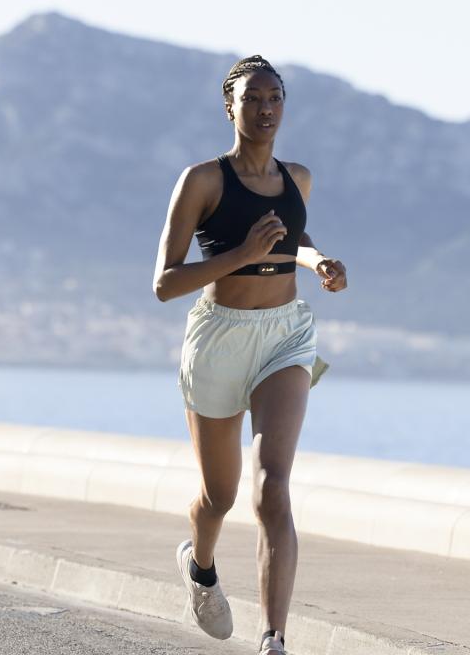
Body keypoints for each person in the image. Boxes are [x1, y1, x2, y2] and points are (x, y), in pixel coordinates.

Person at [152, 55, 347, 655]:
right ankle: (202, 567)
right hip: (219, 337)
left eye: (275, 98)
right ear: (229, 107)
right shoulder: (202, 181)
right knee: (220, 496)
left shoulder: (299, 179)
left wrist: (318, 264)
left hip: (285, 336)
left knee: (274, 488)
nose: (265, 109)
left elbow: (297, 239)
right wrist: (239, 254)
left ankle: (274, 638)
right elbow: (165, 281)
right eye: (253, 98)